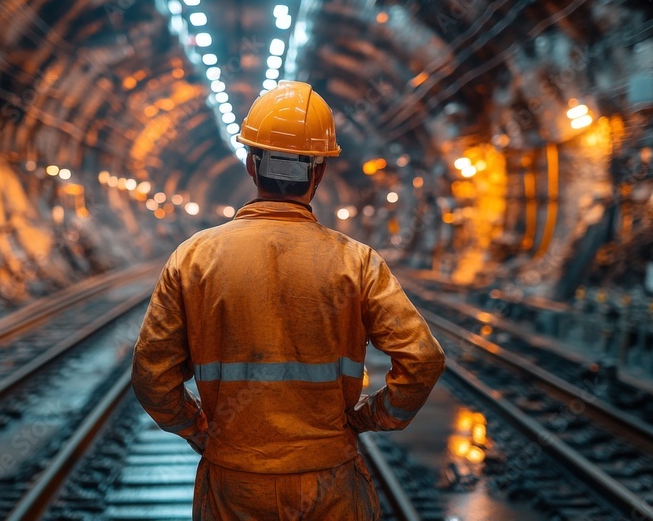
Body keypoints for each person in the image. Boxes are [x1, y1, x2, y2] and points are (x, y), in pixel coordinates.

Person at [131, 80, 446, 520]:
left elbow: (151, 376)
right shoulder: (356, 263)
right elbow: (423, 359)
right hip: (330, 483)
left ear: (249, 164)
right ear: (320, 172)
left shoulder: (194, 258)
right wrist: (372, 417)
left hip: (235, 483)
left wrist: (198, 429)